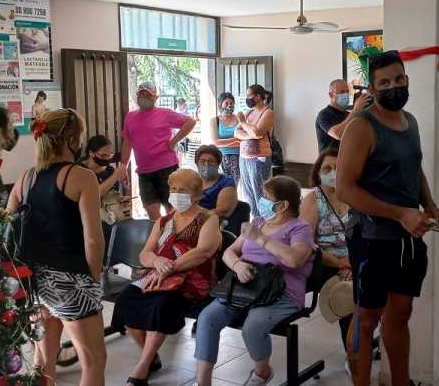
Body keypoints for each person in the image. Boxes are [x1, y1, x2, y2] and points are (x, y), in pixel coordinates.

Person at [335, 50, 439, 386]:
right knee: (367, 317)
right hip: (372, 239)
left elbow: (413, 171)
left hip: (409, 240)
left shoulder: (410, 121)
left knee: (400, 315)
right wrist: (400, 213)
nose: (394, 87)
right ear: (371, 88)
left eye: (399, 79)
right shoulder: (360, 127)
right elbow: (344, 189)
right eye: (384, 82)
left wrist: (428, 205)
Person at [7, 109, 107, 386]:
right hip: (70, 280)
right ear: (71, 138)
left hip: (34, 282)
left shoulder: (25, 178)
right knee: (93, 360)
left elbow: (9, 229)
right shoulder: (81, 176)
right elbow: (93, 239)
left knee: (43, 360)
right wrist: (93, 280)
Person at [193, 176, 315, 386]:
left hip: (280, 292)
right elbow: (229, 252)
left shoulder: (300, 228)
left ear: (283, 205)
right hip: (244, 286)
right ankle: (202, 382)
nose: (261, 201)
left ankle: (262, 373)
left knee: (253, 326)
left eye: (267, 197)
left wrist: (261, 239)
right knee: (207, 318)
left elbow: (295, 259)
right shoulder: (258, 222)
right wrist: (238, 265)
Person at [111, 169, 222, 386]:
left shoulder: (208, 218)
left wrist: (168, 267)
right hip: (158, 276)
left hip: (192, 281)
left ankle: (141, 368)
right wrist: (156, 262)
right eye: (173, 189)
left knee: (161, 304)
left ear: (197, 195)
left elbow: (204, 252)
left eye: (183, 190)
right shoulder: (164, 221)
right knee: (126, 299)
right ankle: (151, 357)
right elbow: (145, 254)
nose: (176, 194)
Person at [299, 148, 354, 348]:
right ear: (318, 173)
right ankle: (352, 354)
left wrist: (352, 264)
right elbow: (308, 244)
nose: (333, 173)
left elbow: (366, 234)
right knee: (349, 292)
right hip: (324, 261)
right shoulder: (313, 199)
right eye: (327, 169)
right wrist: (340, 264)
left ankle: (375, 339)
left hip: (354, 259)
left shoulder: (355, 196)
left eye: (338, 168)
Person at [123, 82, 197, 220]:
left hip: (166, 168)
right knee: (151, 211)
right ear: (137, 95)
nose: (144, 97)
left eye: (148, 95)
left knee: (173, 210)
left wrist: (174, 141)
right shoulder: (130, 117)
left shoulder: (165, 113)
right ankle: (159, 239)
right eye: (141, 94)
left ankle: (173, 239)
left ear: (155, 98)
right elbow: (127, 143)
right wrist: (123, 168)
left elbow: (190, 122)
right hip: (144, 171)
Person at [234, 84, 275, 204]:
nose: (247, 98)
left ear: (257, 96)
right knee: (248, 195)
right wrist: (250, 134)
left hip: (259, 159)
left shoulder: (268, 112)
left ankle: (264, 221)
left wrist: (243, 123)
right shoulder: (248, 113)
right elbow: (236, 133)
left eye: (249, 95)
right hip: (244, 158)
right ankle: (255, 221)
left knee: (260, 194)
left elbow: (258, 133)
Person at [82, 135, 130, 230]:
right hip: (89, 218)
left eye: (110, 155)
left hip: (111, 216)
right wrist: (115, 176)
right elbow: (94, 194)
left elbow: (110, 195)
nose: (107, 158)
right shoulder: (82, 170)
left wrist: (121, 200)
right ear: (91, 153)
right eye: (103, 155)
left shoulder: (109, 170)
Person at [315, 79, 371, 153]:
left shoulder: (348, 114)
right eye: (342, 92)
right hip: (329, 161)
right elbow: (338, 134)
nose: (346, 95)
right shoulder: (324, 114)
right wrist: (356, 109)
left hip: (346, 159)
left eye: (347, 91)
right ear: (331, 95)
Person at [194, 145, 238, 220]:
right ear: (197, 164)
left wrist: (192, 217)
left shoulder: (226, 183)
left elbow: (222, 212)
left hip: (213, 225)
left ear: (218, 164)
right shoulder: (192, 182)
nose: (206, 164)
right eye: (202, 161)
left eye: (211, 161)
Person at [209, 92, 241, 183]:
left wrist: (225, 142)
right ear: (220, 104)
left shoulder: (238, 119)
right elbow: (216, 142)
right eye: (226, 103)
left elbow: (242, 139)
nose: (229, 106)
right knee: (222, 184)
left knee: (235, 184)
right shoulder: (215, 121)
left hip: (238, 156)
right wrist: (235, 141)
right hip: (221, 157)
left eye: (231, 103)